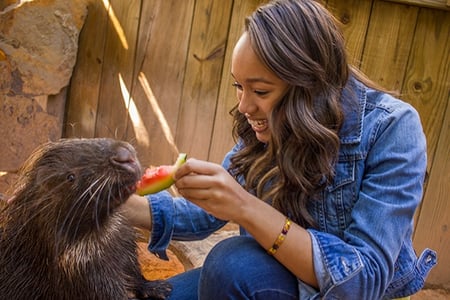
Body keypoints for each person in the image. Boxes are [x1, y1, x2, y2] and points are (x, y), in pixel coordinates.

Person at [125, 0, 437, 298]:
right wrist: (114, 204)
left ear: (308, 85)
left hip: (342, 294)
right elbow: (203, 216)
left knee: (231, 265)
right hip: (273, 276)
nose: (245, 106)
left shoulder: (392, 128)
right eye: (239, 86)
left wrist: (246, 206)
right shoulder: (272, 123)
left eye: (260, 90)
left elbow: (363, 280)